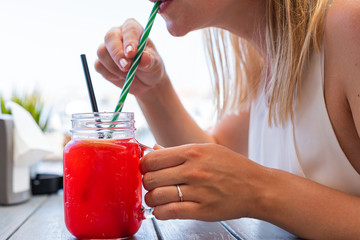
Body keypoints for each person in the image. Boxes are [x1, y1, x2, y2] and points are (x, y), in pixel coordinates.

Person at [95, 0, 360, 238]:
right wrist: (153, 90)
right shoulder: (267, 63)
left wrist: (258, 191)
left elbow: (238, 179)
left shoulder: (351, 23)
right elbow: (215, 160)